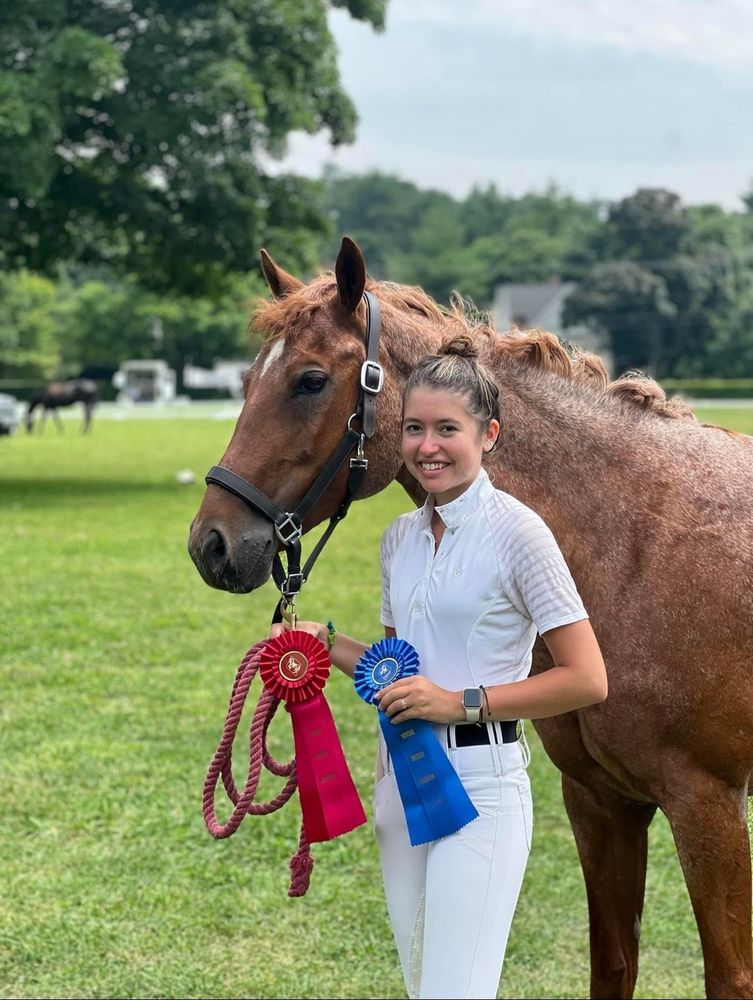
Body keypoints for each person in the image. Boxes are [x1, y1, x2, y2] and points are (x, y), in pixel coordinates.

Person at [271, 336, 607, 1000]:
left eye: (447, 429)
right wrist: (323, 643)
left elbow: (586, 678)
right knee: (423, 983)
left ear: (488, 435)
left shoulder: (520, 534)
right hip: (401, 782)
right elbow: (396, 672)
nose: (427, 446)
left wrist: (459, 703)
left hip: (481, 791)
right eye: (414, 428)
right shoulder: (398, 538)